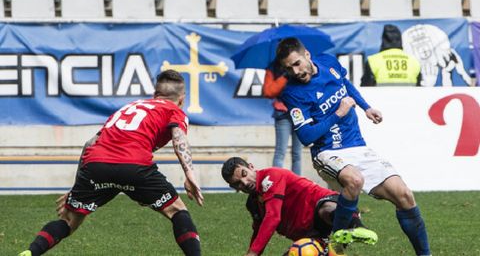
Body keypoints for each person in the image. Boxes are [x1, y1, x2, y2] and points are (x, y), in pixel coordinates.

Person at [19, 69, 204, 256]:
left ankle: (30, 253)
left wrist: (78, 187)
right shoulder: (174, 110)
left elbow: (89, 144)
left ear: (155, 95)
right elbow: (178, 136)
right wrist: (189, 174)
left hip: (96, 165)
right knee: (177, 211)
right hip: (134, 166)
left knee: (68, 221)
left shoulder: (128, 108)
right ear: (182, 99)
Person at [276, 37, 431, 256]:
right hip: (327, 152)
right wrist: (338, 113)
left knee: (404, 195)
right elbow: (306, 136)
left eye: (297, 63)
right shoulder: (292, 93)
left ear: (307, 55)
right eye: (289, 68)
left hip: (357, 147)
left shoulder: (329, 62)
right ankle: (335, 247)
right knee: (354, 180)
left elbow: (346, 85)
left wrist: (366, 107)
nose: (296, 71)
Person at [221, 157, 377, 256]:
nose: (245, 183)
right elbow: (258, 231)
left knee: (326, 209)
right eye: (238, 184)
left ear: (251, 166)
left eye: (244, 174)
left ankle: (356, 227)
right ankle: (335, 247)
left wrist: (252, 254)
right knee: (302, 252)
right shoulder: (253, 204)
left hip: (328, 206)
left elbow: (273, 217)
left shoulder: (271, 176)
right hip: (312, 233)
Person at [263, 63, 302, 174]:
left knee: (297, 154)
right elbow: (269, 91)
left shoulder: (300, 66)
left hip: (298, 114)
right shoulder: (273, 68)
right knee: (280, 152)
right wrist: (285, 76)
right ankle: (276, 184)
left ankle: (298, 185)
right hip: (282, 114)